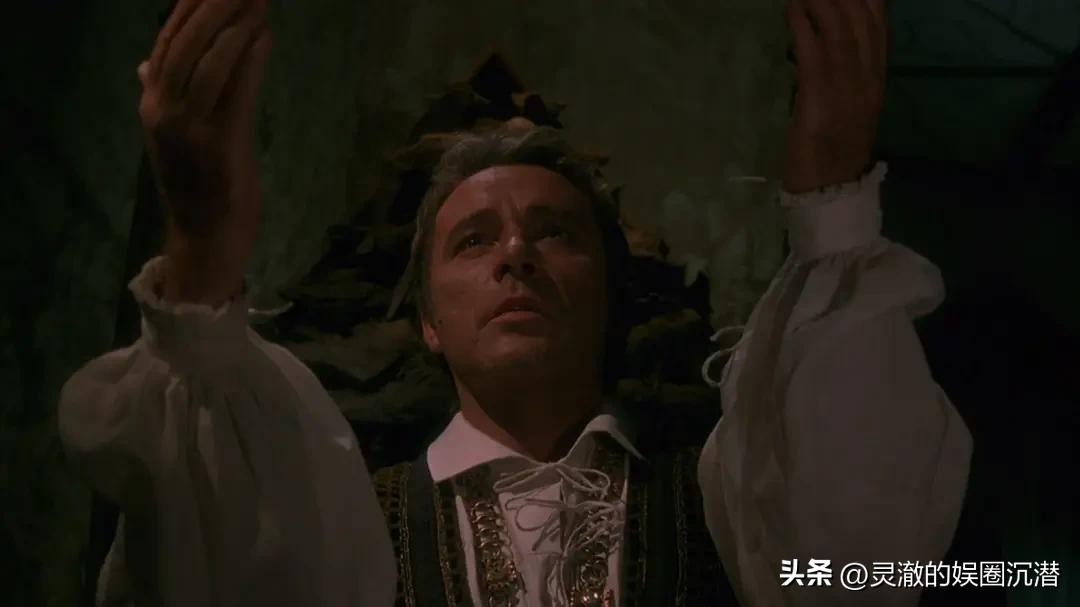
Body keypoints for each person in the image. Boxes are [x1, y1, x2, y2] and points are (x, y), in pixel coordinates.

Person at [58, 0, 973, 605]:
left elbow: (864, 566)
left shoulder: (730, 509)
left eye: (555, 232)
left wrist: (836, 209)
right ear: (428, 320)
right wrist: (203, 247)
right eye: (473, 240)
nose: (517, 257)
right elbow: (202, 559)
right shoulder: (340, 525)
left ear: (609, 291)